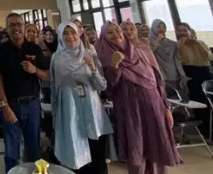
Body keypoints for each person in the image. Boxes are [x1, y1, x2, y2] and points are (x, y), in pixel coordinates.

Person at [96, 22, 178, 174]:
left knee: (157, 146)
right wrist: (114, 65)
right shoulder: (103, 55)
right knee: (137, 151)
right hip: (130, 110)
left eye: (117, 31)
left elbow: (157, 81)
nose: (116, 34)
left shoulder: (140, 52)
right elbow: (107, 88)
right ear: (104, 37)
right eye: (110, 32)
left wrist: (166, 107)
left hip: (154, 106)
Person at [52, 22, 112, 174]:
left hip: (91, 109)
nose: (70, 36)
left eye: (73, 32)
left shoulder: (90, 54)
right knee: (76, 152)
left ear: (78, 34)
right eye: (65, 33)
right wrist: (55, 114)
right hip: (69, 108)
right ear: (60, 36)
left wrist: (93, 69)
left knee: (97, 152)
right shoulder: (57, 58)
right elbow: (54, 87)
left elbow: (102, 86)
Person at [0, 13, 50, 173]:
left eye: (19, 24)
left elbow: (47, 76)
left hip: (33, 105)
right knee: (12, 152)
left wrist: (34, 70)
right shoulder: (2, 50)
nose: (16, 28)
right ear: (7, 28)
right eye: (11, 25)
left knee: (34, 149)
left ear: (24, 26)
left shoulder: (34, 48)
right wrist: (4, 106)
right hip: (11, 105)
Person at [175, 23, 213, 142]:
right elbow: (182, 58)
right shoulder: (178, 44)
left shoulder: (201, 43)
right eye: (180, 30)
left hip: (206, 73)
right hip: (192, 74)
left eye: (185, 30)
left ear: (191, 31)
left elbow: (208, 57)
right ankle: (208, 134)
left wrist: (197, 43)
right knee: (201, 104)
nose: (183, 33)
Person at [150, 20, 188, 96]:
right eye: (158, 27)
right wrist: (157, 40)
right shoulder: (148, 42)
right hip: (160, 75)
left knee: (179, 97)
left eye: (163, 27)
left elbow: (176, 60)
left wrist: (182, 75)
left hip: (174, 75)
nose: (161, 29)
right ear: (153, 28)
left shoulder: (173, 43)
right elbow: (149, 52)